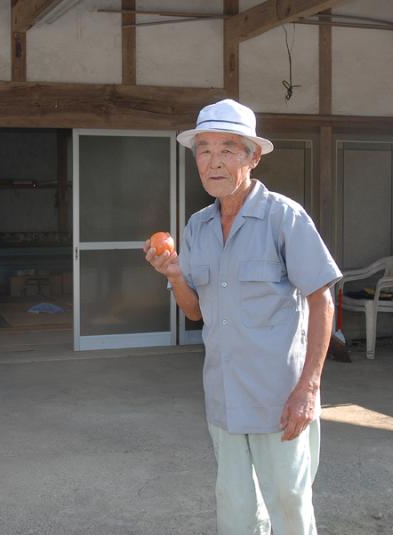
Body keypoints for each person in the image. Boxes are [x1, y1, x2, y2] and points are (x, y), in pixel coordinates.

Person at [144, 99, 341, 534]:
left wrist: (309, 387)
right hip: (224, 393)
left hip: (280, 397)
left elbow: (321, 300)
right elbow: (195, 312)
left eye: (228, 149)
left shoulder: (283, 217)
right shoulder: (197, 227)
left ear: (253, 157)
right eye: (204, 149)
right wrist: (175, 275)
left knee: (288, 502)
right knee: (234, 506)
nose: (213, 162)